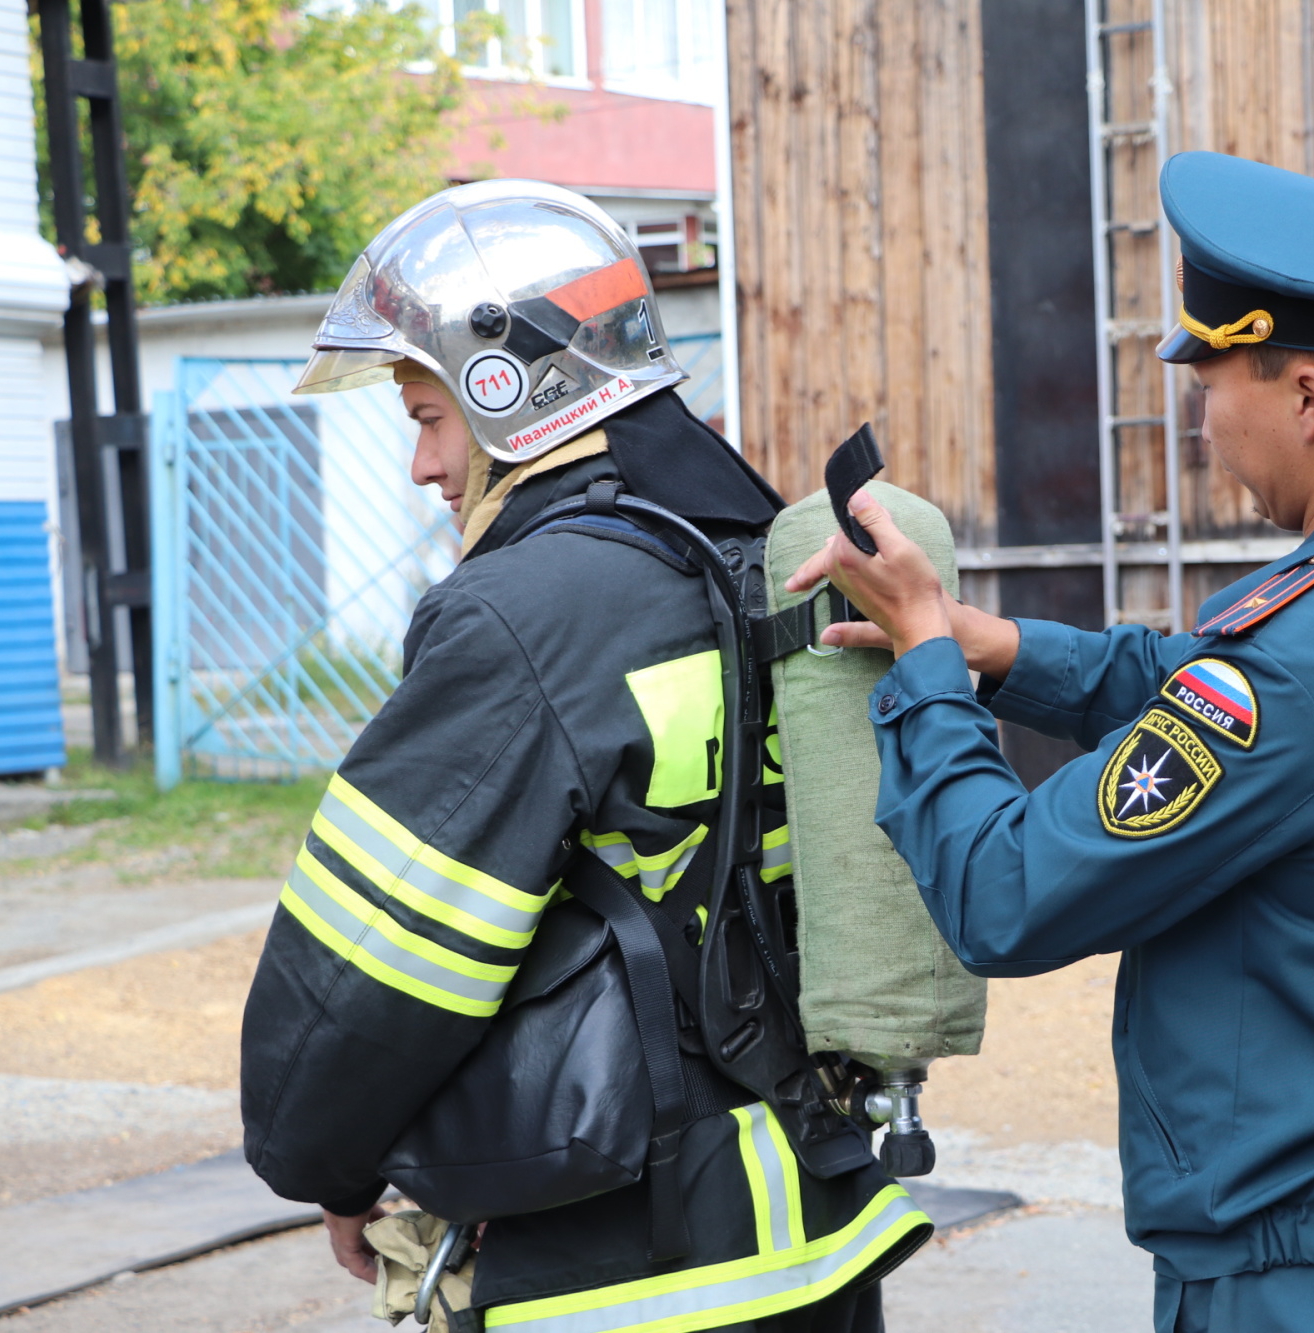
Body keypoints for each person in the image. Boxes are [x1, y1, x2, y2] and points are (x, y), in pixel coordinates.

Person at [788, 152, 1314, 1333]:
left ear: (1308, 395)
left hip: (1304, 1270)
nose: (1203, 421)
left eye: (1210, 382)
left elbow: (1004, 894)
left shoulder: (1303, 666)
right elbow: (1242, 698)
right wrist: (999, 646)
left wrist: (923, 666)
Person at [240, 180, 925, 1333]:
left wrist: (322, 1157)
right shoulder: (756, 555)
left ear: (508, 390)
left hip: (623, 1262)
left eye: (427, 416)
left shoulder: (526, 614)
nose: (420, 467)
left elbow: (382, 955)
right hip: (810, 1231)